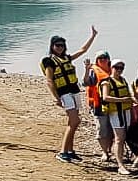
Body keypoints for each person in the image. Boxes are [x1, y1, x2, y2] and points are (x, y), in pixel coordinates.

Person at [41, 26, 97, 162]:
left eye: (62, 45)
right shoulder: (49, 61)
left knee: (73, 122)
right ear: (52, 46)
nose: (60, 47)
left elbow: (83, 50)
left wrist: (93, 36)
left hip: (74, 91)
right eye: (57, 45)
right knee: (75, 121)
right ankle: (62, 152)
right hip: (64, 93)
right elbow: (49, 80)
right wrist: (56, 98)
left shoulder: (67, 58)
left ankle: (71, 151)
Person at [98, 60, 136, 174]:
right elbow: (105, 97)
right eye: (116, 67)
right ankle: (120, 165)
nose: (119, 70)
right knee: (119, 138)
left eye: (121, 68)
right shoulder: (107, 82)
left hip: (126, 112)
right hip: (116, 113)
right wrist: (122, 100)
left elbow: (129, 95)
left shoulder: (123, 80)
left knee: (122, 137)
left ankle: (121, 160)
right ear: (111, 67)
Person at [83, 51, 115, 162]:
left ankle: (109, 150)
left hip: (113, 104)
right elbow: (86, 82)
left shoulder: (113, 71)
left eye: (105, 57)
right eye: (100, 58)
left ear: (109, 60)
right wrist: (87, 70)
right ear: (96, 60)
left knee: (111, 129)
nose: (103, 59)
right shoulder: (94, 72)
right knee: (102, 129)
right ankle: (104, 152)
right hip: (98, 105)